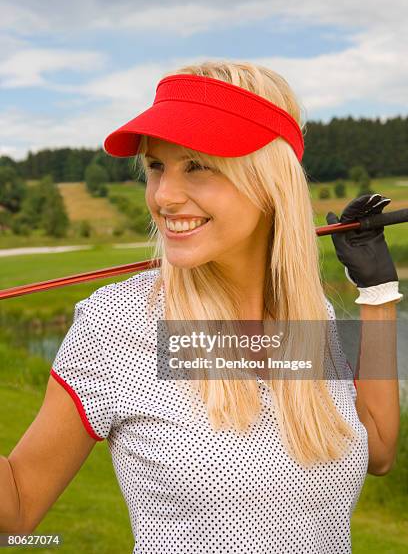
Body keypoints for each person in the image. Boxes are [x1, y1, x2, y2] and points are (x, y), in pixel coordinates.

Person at [0, 61, 403, 553]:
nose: (163, 196)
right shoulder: (116, 324)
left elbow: (378, 449)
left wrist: (378, 294)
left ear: (269, 182)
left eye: (197, 166)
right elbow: (16, 507)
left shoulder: (307, 315)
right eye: (156, 167)